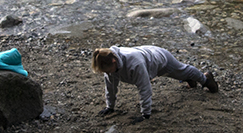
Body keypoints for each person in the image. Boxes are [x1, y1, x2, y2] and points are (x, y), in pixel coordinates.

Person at [91, 45, 219, 122]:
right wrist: (110, 107)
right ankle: (189, 80)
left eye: (108, 71)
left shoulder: (135, 64)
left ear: (114, 61)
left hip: (160, 58)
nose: (108, 74)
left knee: (181, 70)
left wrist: (145, 114)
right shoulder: (109, 66)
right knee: (180, 74)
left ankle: (206, 79)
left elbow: (145, 88)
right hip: (147, 55)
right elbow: (110, 87)